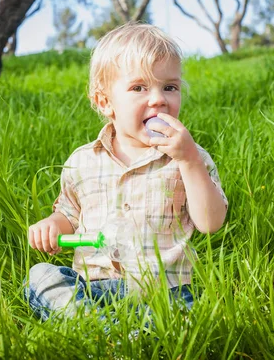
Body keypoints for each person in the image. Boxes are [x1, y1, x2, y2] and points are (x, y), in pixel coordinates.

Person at [25, 22, 228, 322]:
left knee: (198, 312)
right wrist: (52, 225)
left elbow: (210, 222)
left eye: (169, 87)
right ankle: (97, 327)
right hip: (92, 289)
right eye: (139, 88)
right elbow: (69, 214)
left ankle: (126, 333)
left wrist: (188, 160)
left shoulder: (190, 158)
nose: (158, 98)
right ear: (105, 102)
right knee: (41, 276)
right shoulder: (82, 162)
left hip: (166, 290)